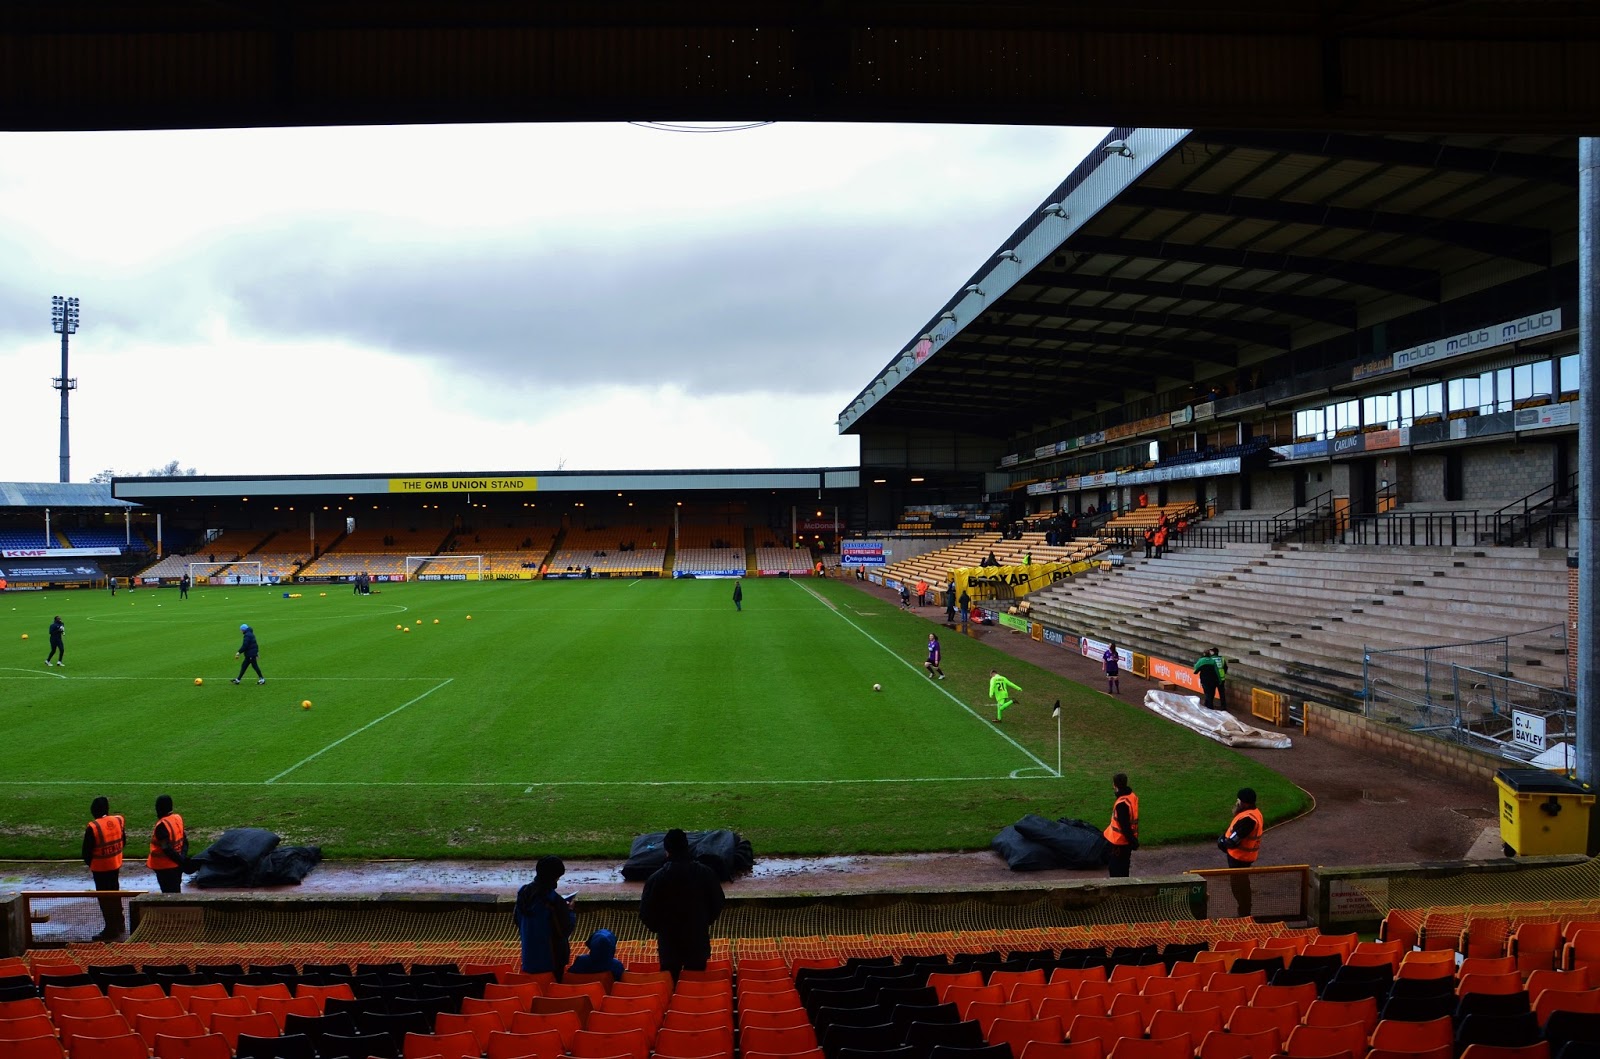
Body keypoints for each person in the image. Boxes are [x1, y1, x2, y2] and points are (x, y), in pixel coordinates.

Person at [640, 828, 725, 980]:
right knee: (695, 988)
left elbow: (646, 913)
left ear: (666, 850)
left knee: (671, 989)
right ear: (687, 847)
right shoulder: (706, 873)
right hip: (697, 942)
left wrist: (660, 929)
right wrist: (704, 921)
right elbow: (717, 902)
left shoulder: (656, 879)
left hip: (669, 946)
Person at [514, 855, 576, 977]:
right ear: (554, 877)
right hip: (551, 963)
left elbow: (517, 919)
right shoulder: (553, 900)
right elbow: (564, 931)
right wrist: (570, 911)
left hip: (528, 957)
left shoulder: (523, 892)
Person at [83, 796, 126, 941]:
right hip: (115, 864)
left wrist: (94, 864)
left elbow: (86, 852)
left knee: (105, 899)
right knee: (115, 893)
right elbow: (123, 840)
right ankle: (120, 923)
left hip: (100, 870)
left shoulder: (93, 827)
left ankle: (111, 929)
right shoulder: (118, 820)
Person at [1218, 788, 1264, 918]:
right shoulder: (1254, 813)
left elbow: (1233, 841)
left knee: (1239, 885)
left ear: (1245, 803)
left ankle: (1244, 914)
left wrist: (1222, 843)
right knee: (1241, 882)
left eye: (1239, 800)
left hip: (1240, 857)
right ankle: (1244, 911)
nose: (1237, 802)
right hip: (1243, 856)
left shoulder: (1248, 819)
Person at [147, 794, 188, 894]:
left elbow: (166, 848)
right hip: (177, 864)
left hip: (164, 867)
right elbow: (185, 841)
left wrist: (180, 861)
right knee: (176, 892)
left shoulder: (161, 825)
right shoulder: (177, 818)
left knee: (169, 896)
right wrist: (182, 859)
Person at [1103, 773, 1139, 879]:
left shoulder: (1121, 803)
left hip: (1119, 843)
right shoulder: (1131, 797)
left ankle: (1117, 894)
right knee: (1124, 868)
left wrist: (1133, 842)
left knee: (1116, 871)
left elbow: (1124, 826)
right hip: (1126, 842)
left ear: (1115, 785)